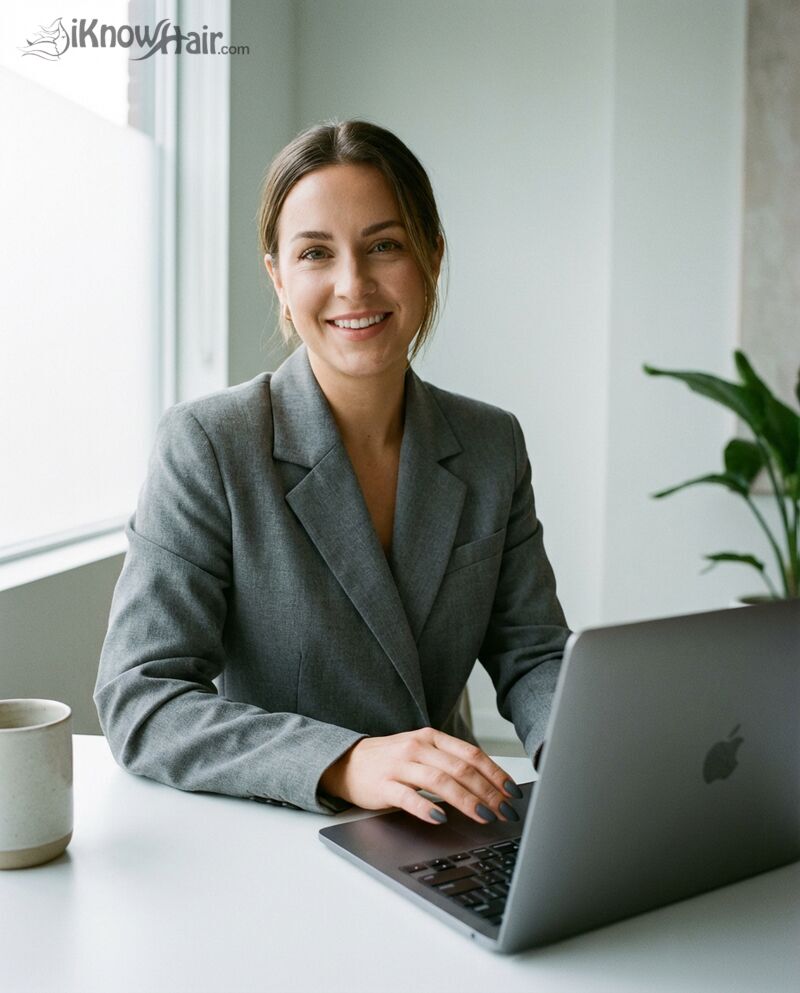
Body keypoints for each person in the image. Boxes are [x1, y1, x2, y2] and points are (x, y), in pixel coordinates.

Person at [94, 119, 570, 828]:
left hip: (447, 829)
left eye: (384, 245)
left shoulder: (490, 443)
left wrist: (584, 755)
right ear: (278, 277)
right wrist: (345, 760)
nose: (354, 283)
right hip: (281, 829)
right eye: (316, 253)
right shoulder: (208, 444)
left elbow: (533, 655)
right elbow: (142, 697)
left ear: (432, 258)